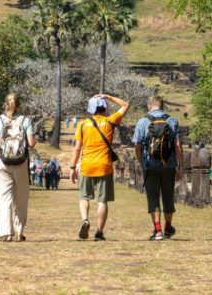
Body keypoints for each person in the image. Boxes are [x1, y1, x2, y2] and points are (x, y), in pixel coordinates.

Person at [70, 94, 129, 241]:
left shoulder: (82, 124)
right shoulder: (110, 121)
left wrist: (72, 167)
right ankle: (99, 232)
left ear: (90, 108)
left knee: (84, 197)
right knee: (102, 200)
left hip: (86, 166)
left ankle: (85, 219)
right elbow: (125, 105)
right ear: (105, 108)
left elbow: (77, 149)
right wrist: (108, 96)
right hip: (104, 166)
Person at [132, 95, 184, 241]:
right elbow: (178, 146)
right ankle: (168, 227)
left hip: (150, 165)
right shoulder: (172, 120)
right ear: (162, 106)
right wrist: (181, 166)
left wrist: (142, 163)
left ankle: (158, 231)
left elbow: (137, 147)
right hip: (169, 165)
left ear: (149, 107)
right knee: (168, 197)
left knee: (153, 198)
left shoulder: (142, 122)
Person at [0, 93, 36, 242]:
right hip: (21, 163)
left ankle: (7, 233)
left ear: (5, 104)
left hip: (3, 163)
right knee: (21, 199)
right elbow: (31, 143)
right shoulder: (25, 121)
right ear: (19, 105)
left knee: (4, 199)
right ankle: (19, 232)